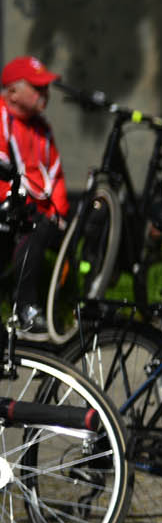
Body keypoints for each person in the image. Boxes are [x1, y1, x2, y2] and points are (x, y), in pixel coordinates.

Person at [0, 56, 70, 334]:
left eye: (46, 88)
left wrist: (60, 213)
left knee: (88, 223)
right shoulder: (2, 119)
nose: (45, 94)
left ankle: (84, 306)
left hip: (43, 211)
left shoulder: (43, 128)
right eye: (37, 88)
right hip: (13, 211)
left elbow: (57, 175)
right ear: (13, 92)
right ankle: (24, 310)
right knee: (33, 226)